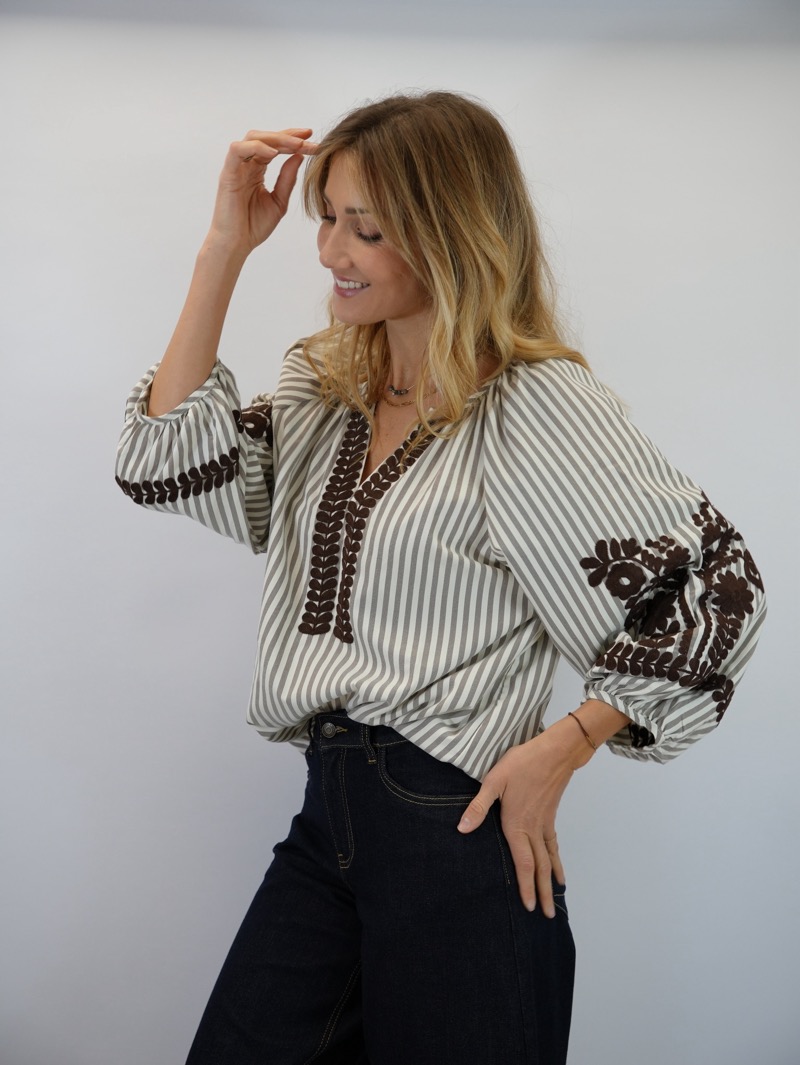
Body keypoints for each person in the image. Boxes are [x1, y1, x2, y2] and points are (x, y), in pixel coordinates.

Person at [115, 91, 766, 1065]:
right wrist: (223, 248)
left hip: (453, 821)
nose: (331, 251)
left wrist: (565, 745)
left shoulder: (535, 404)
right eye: (326, 219)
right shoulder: (324, 387)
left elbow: (718, 584)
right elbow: (163, 462)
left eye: (366, 229)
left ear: (451, 236)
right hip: (326, 816)